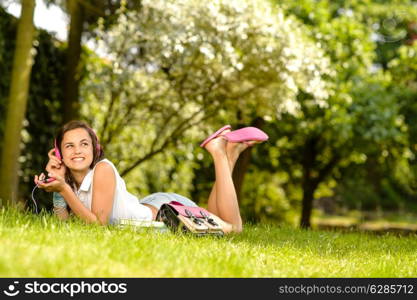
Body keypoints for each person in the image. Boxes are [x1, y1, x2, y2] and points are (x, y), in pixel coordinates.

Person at [34, 121, 268, 233]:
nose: (77, 150)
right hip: (155, 206)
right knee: (219, 216)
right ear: (59, 154)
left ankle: (219, 152)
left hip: (169, 213)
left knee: (234, 229)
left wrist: (63, 188)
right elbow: (65, 225)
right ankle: (231, 154)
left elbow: (98, 225)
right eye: (69, 146)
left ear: (95, 148)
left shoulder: (102, 169)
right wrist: (58, 188)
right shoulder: (74, 182)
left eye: (84, 144)